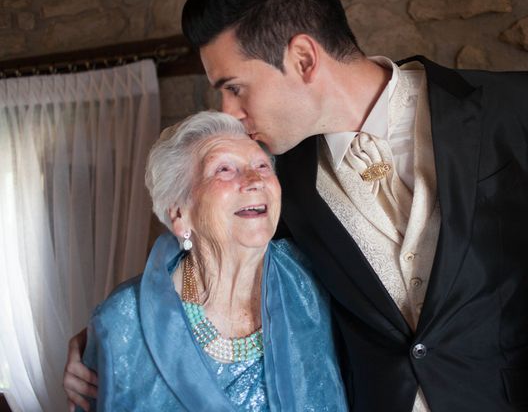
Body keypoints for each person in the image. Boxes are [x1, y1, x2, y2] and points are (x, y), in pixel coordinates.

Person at [64, 0, 528, 412]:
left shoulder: (506, 108)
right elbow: (215, 273)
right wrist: (110, 338)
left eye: (234, 85)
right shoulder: (274, 177)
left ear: (304, 59)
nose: (230, 111)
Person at [72, 110, 347, 411]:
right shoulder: (122, 322)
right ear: (179, 214)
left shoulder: (314, 277)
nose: (255, 180)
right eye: (225, 170)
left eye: (263, 166)